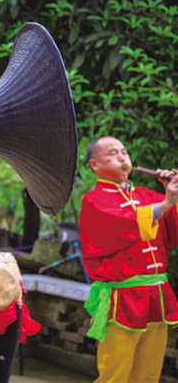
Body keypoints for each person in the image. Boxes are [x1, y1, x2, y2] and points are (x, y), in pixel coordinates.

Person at [79, 136, 178, 382]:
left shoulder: (149, 196)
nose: (122, 156)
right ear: (95, 165)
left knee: (148, 374)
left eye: (123, 151)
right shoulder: (94, 201)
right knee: (116, 373)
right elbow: (123, 222)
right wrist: (167, 202)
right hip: (122, 299)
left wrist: (171, 194)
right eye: (112, 153)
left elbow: (173, 229)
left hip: (157, 296)